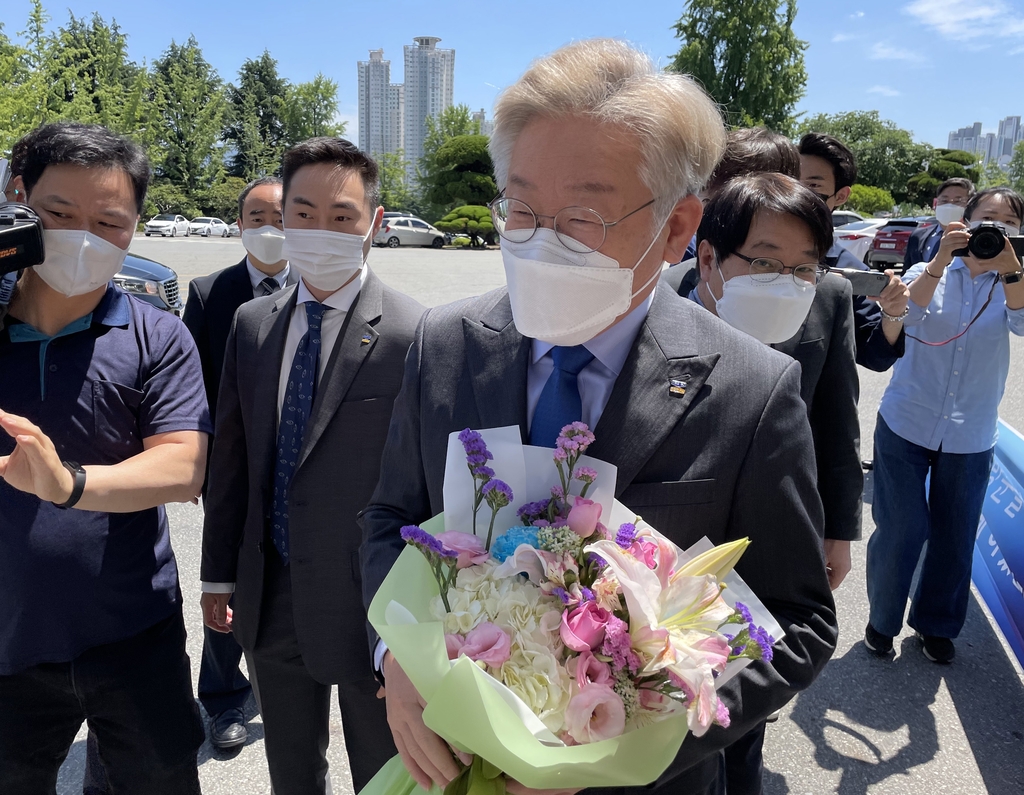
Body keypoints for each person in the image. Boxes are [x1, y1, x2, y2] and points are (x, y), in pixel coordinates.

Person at [360, 39, 837, 795]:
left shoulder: (753, 389)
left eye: (582, 215)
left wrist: (617, 750)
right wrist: (398, 661)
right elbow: (392, 516)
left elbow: (796, 625)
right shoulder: (445, 345)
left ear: (679, 228)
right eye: (520, 208)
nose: (541, 240)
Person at [200, 137, 424, 795]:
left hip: (372, 605)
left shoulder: (416, 332)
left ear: (374, 225)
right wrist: (218, 573)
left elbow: (426, 483)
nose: (318, 230)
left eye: (342, 216)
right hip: (270, 592)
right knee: (293, 771)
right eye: (301, 213)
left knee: (384, 773)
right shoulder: (251, 324)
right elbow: (233, 462)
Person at [0, 122, 208, 793]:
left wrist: (69, 484)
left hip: (132, 632)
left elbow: (182, 465)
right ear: (16, 194)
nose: (83, 236)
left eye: (110, 222)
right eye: (58, 213)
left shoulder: (156, 335)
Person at [666, 173, 885, 794]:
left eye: (803, 267)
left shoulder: (828, 300)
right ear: (708, 256)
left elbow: (839, 420)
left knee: (746, 686)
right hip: (676, 530)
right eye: (764, 262)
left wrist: (839, 530)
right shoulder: (660, 299)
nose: (785, 281)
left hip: (774, 526)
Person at [865, 186, 1024, 664]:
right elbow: (906, 314)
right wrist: (939, 262)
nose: (992, 231)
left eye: (1006, 224)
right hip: (906, 420)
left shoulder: (1014, 280)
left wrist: (1011, 268)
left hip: (970, 432)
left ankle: (936, 626)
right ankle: (882, 620)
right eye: (984, 221)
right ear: (963, 223)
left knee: (955, 535)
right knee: (903, 528)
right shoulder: (928, 267)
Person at [182, 175, 295, 750]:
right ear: (239, 225)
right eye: (256, 216)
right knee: (224, 580)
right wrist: (201, 466)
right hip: (235, 467)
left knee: (296, 580)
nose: (269, 228)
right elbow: (188, 387)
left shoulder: (320, 285)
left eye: (280, 215)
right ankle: (223, 697)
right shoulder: (209, 292)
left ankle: (288, 683)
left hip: (301, 463)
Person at [798, 132, 907, 372]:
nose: (799, 193)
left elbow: (876, 355)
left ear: (840, 196)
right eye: (792, 181)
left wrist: (894, 313)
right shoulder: (745, 246)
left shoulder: (850, 271)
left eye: (813, 185)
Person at [904, 178, 975, 270]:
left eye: (958, 201)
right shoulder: (917, 236)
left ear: (971, 205)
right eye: (944, 201)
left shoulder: (975, 238)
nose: (949, 205)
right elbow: (906, 273)